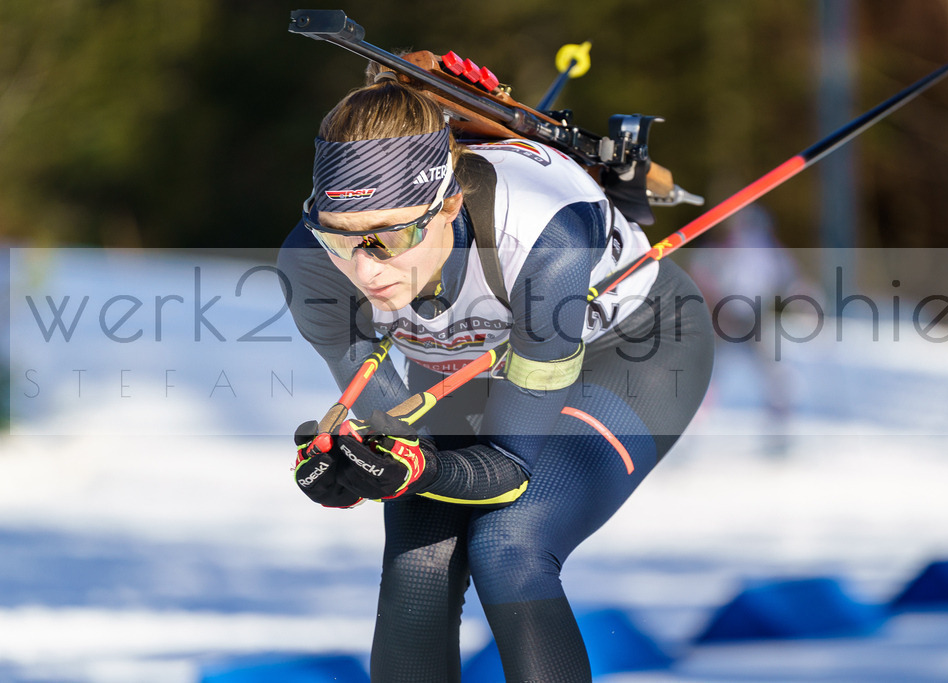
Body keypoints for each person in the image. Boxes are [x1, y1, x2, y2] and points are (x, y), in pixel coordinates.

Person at [278, 67, 714, 683]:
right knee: (418, 568)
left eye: (392, 237)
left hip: (633, 348)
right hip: (469, 358)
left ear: (449, 205)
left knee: (511, 546)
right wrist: (352, 463)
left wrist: (420, 467)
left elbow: (509, 467)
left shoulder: (543, 238)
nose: (366, 268)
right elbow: (394, 433)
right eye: (340, 238)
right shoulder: (309, 267)